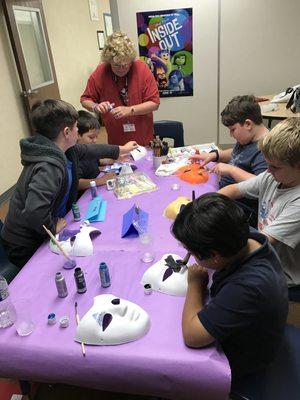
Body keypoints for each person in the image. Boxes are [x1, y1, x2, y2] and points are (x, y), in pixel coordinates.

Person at [172, 193, 288, 393]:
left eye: (191, 252)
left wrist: (195, 283)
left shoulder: (249, 287)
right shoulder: (246, 237)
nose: (189, 255)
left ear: (215, 256)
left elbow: (192, 336)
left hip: (245, 363)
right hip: (259, 330)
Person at [0, 99, 138, 269]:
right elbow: (34, 210)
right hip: (25, 243)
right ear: (67, 132)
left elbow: (89, 151)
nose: (77, 130)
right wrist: (52, 226)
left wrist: (121, 149)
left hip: (40, 228)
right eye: (76, 128)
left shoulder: (64, 149)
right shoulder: (49, 166)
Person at [219, 117, 300, 298]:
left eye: (274, 166)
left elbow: (261, 243)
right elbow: (233, 189)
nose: (267, 170)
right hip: (264, 253)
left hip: (282, 273)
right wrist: (204, 206)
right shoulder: (272, 176)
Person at [191, 95, 268, 226]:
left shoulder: (266, 150)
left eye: (233, 130)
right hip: (227, 195)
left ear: (248, 124)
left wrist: (232, 170)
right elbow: (237, 153)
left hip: (242, 210)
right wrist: (214, 155)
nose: (231, 135)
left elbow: (262, 185)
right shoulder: (248, 138)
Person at [80, 32, 160, 146]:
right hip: (116, 138)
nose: (122, 69)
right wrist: (96, 106)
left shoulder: (141, 68)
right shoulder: (101, 72)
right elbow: (85, 100)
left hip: (143, 136)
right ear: (109, 61)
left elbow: (154, 103)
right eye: (117, 65)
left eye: (126, 64)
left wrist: (130, 110)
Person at [76, 110, 116, 192]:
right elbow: (77, 183)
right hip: (86, 193)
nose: (95, 140)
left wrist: (114, 160)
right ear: (77, 135)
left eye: (96, 137)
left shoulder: (89, 149)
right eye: (91, 137)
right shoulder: (73, 156)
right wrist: (101, 180)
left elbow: (97, 161)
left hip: (97, 183)